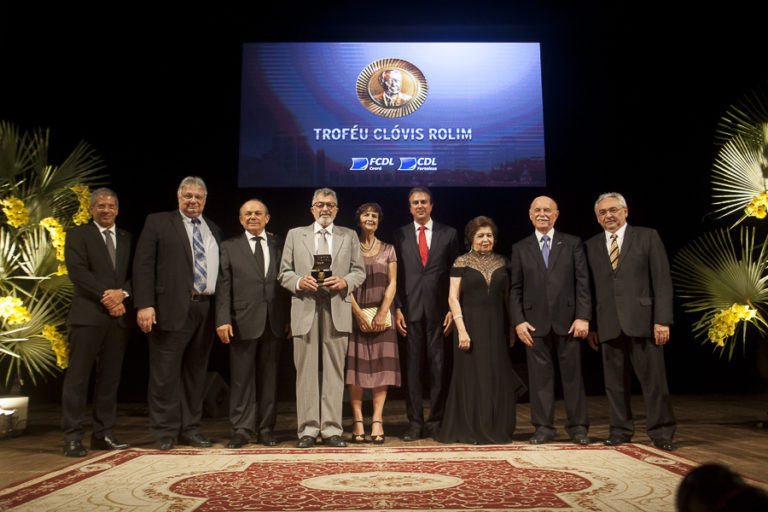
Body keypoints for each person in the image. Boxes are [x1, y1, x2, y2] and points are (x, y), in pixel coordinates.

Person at [133, 176, 221, 451]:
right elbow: (142, 265)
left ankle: (191, 429)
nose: (193, 201)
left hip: (204, 310)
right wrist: (144, 304)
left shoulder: (213, 229)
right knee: (164, 375)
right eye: (188, 196)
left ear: (205, 200)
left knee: (196, 374)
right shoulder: (158, 222)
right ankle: (164, 432)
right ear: (179, 197)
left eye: (198, 197)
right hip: (169, 309)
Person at [585, 192, 676, 451]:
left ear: (626, 211)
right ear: (597, 218)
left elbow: (662, 281)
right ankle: (620, 430)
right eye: (602, 213)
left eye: (613, 210)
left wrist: (662, 320)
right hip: (608, 323)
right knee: (614, 384)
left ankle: (661, 433)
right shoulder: (591, 245)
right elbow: (589, 288)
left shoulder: (648, 237)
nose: (608, 216)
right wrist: (592, 325)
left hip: (645, 322)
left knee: (654, 382)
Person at [278, 188, 365, 448]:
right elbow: (283, 273)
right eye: (320, 204)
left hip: (336, 307)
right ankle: (307, 430)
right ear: (312, 209)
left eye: (330, 205)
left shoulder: (348, 235)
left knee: (334, 372)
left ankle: (331, 429)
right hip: (305, 306)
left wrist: (344, 281)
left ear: (337, 209)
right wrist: (298, 281)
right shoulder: (296, 234)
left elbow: (359, 272)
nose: (325, 209)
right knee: (305, 372)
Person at [509, 196, 591, 445]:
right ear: (530, 214)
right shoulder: (521, 247)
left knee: (573, 378)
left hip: (569, 322)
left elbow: (583, 283)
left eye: (547, 210)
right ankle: (543, 427)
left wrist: (583, 317)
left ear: (556, 214)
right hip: (534, 324)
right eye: (537, 210)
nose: (542, 213)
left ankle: (578, 428)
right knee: (539, 380)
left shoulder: (573, 243)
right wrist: (519, 321)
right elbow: (515, 289)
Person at [437, 216, 525, 444]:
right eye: (481, 235)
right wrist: (462, 329)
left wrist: (513, 327)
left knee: (495, 376)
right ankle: (470, 429)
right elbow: (452, 298)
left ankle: (496, 427)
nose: (486, 239)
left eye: (489, 235)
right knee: (471, 377)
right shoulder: (461, 262)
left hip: (496, 327)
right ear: (471, 239)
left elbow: (507, 299)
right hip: (469, 327)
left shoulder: (503, 262)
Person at [61, 188, 132, 457]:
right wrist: (108, 297)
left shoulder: (126, 238)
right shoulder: (78, 235)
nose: (106, 210)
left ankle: (103, 434)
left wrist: (122, 294)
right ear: (91, 209)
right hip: (87, 315)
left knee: (110, 379)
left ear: (117, 209)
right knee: (78, 379)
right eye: (101, 206)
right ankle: (72, 436)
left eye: (111, 206)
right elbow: (77, 272)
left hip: (117, 320)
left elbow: (135, 273)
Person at [215, 199, 289, 448]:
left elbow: (287, 285)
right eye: (247, 213)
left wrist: (289, 319)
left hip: (274, 320)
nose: (253, 217)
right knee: (241, 379)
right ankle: (241, 429)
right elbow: (223, 285)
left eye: (258, 213)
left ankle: (266, 428)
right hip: (241, 320)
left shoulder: (280, 244)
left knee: (270, 378)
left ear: (267, 218)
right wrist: (223, 319)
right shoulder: (229, 246)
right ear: (240, 219)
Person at [393, 187, 460, 441]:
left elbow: (456, 274)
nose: (420, 206)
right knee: (412, 370)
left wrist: (453, 310)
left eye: (424, 202)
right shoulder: (399, 235)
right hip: (409, 313)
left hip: (439, 313)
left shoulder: (449, 234)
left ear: (431, 206)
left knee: (439, 369)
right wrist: (397, 307)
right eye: (415, 203)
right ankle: (414, 423)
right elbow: (395, 276)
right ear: (410, 208)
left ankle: (436, 421)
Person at [345, 202, 400, 444]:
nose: (371, 219)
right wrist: (357, 314)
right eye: (366, 215)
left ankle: (377, 419)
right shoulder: (348, 247)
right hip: (353, 315)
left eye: (374, 216)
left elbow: (393, 283)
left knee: (382, 370)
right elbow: (345, 284)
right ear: (359, 220)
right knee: (355, 371)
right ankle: (358, 420)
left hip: (382, 316)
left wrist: (382, 312)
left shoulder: (388, 249)